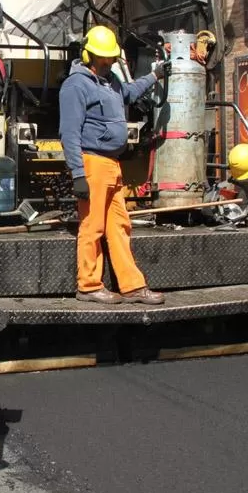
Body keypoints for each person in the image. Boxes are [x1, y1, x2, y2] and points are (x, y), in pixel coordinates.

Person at [59, 25, 170, 305]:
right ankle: (88, 285)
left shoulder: (110, 83)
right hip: (92, 163)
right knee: (92, 226)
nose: (107, 63)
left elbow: (130, 93)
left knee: (120, 225)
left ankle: (132, 286)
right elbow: (69, 133)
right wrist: (78, 174)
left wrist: (154, 76)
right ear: (88, 55)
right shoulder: (76, 86)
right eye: (102, 58)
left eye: (110, 58)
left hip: (112, 164)